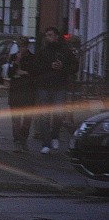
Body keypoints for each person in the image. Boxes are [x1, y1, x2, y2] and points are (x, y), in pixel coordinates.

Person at [33, 26, 79, 154]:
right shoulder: (42, 51)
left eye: (51, 35)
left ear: (57, 36)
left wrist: (62, 67)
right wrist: (49, 66)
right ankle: (46, 143)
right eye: (47, 35)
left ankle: (54, 135)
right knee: (44, 116)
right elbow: (36, 67)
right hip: (44, 86)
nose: (49, 37)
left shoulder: (65, 51)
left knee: (58, 114)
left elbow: (74, 66)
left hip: (60, 86)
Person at [7, 37, 36, 152]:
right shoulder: (14, 57)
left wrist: (22, 72)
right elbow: (10, 73)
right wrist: (17, 63)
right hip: (15, 92)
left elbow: (33, 73)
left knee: (27, 120)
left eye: (22, 46)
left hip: (28, 92)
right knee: (16, 120)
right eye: (19, 46)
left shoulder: (32, 58)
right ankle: (17, 141)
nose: (20, 49)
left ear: (26, 46)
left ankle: (24, 139)